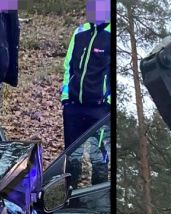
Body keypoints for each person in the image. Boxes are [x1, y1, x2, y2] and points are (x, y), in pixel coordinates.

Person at [61, 0, 111, 186]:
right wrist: (65, 97)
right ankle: (69, 199)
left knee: (99, 160)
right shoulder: (80, 32)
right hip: (73, 106)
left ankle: (100, 204)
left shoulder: (110, 35)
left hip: (99, 110)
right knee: (72, 157)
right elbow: (68, 66)